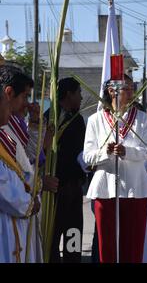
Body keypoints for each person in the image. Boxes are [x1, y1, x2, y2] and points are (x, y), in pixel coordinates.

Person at [83, 75, 147, 263]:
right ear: (111, 91)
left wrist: (127, 151)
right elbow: (87, 157)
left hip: (136, 188)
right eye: (126, 88)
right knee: (107, 246)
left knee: (133, 245)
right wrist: (105, 153)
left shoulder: (141, 118)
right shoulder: (95, 120)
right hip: (105, 189)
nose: (131, 92)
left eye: (132, 88)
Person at [0, 66, 44, 262]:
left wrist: (35, 125)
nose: (27, 104)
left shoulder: (9, 126)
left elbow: (26, 162)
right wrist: (27, 203)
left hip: (15, 218)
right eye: (24, 97)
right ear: (8, 93)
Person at [46, 78, 86, 263]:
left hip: (73, 187)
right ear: (69, 94)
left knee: (73, 232)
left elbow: (80, 153)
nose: (81, 97)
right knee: (52, 234)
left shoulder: (77, 120)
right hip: (54, 188)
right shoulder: (48, 118)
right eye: (78, 93)